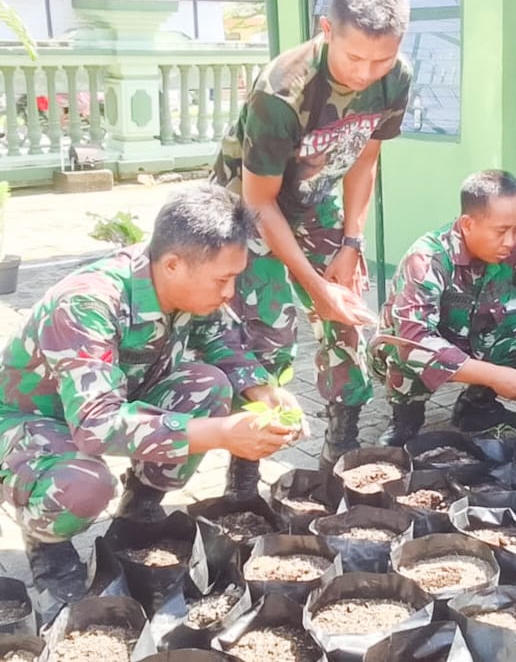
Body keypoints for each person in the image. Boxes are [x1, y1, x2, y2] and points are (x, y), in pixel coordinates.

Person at [0, 186, 300, 606]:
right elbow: (96, 426)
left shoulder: (186, 277)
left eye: (234, 277)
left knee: (209, 385)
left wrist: (263, 389)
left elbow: (220, 342)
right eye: (224, 280)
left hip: (114, 400)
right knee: (83, 484)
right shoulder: (87, 303)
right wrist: (220, 434)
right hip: (34, 422)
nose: (230, 292)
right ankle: (47, 544)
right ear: (174, 264)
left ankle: (139, 507)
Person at [212, 0, 412, 489]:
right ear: (327, 29)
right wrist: (312, 285)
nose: (367, 72)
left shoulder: (397, 78)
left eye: (381, 58)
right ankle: (246, 465)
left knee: (346, 316)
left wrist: (351, 242)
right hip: (245, 213)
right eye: (354, 57)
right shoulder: (282, 90)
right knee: (267, 334)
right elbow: (259, 202)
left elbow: (366, 159)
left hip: (315, 202)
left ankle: (340, 441)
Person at [371, 169, 516, 445]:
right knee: (408, 347)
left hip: (473, 338)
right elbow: (412, 339)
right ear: (467, 224)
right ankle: (406, 417)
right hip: (409, 351)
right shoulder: (428, 260)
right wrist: (495, 375)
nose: (511, 241)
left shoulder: (515, 247)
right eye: (501, 231)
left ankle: (476, 407)